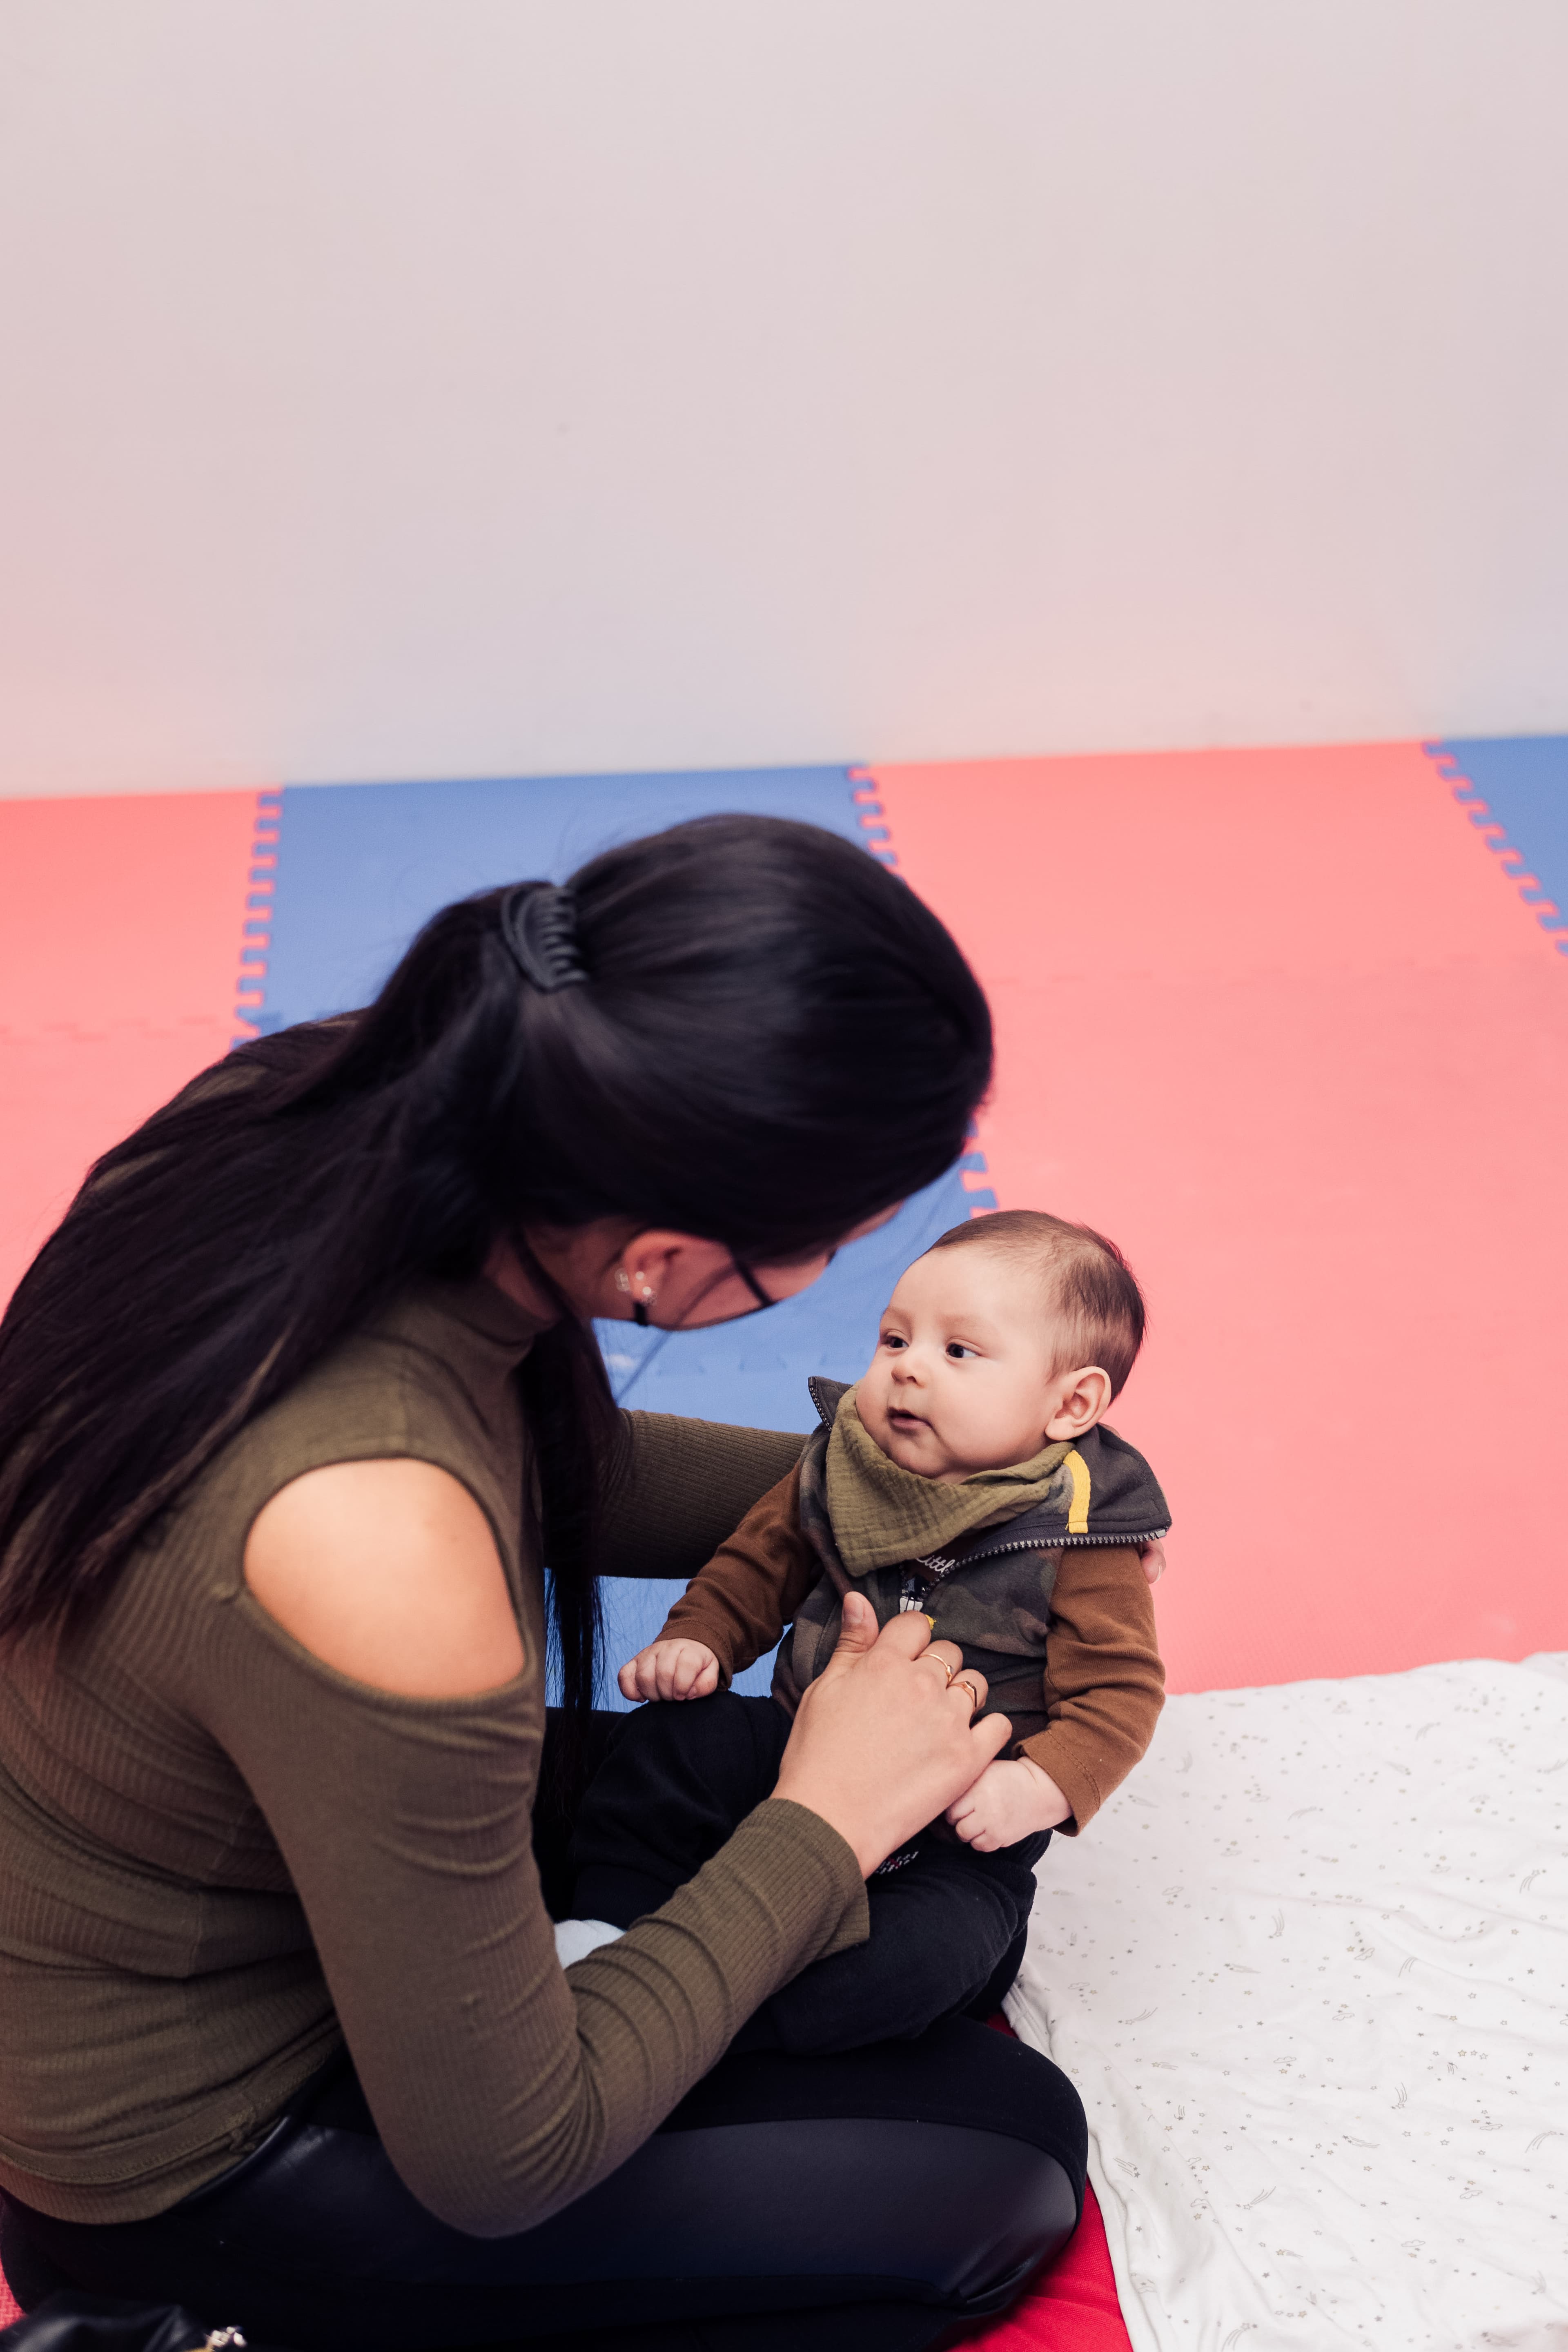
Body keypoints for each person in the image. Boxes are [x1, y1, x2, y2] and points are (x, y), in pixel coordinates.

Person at [0, 816, 1091, 2352]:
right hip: (193, 2162)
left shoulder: (327, 1104)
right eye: (843, 1249)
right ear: (656, 1259)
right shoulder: (379, 1546)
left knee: (864, 1930)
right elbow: (503, 2161)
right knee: (1012, 2160)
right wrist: (829, 1821)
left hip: (232, 1876)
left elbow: (554, 1455)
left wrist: (964, 1501)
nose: (862, 1293)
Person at [574, 1210, 1168, 2054]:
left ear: (1071, 1404)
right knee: (668, 1747)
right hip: (794, 1746)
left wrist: (1037, 1787)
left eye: (958, 1352)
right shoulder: (841, 1460)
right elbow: (758, 1560)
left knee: (941, 1950)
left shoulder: (1087, 1535)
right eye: (894, 1341)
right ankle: (604, 1934)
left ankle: (753, 2041)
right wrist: (701, 1638)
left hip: (950, 1825)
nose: (907, 1371)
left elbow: (1119, 1692)